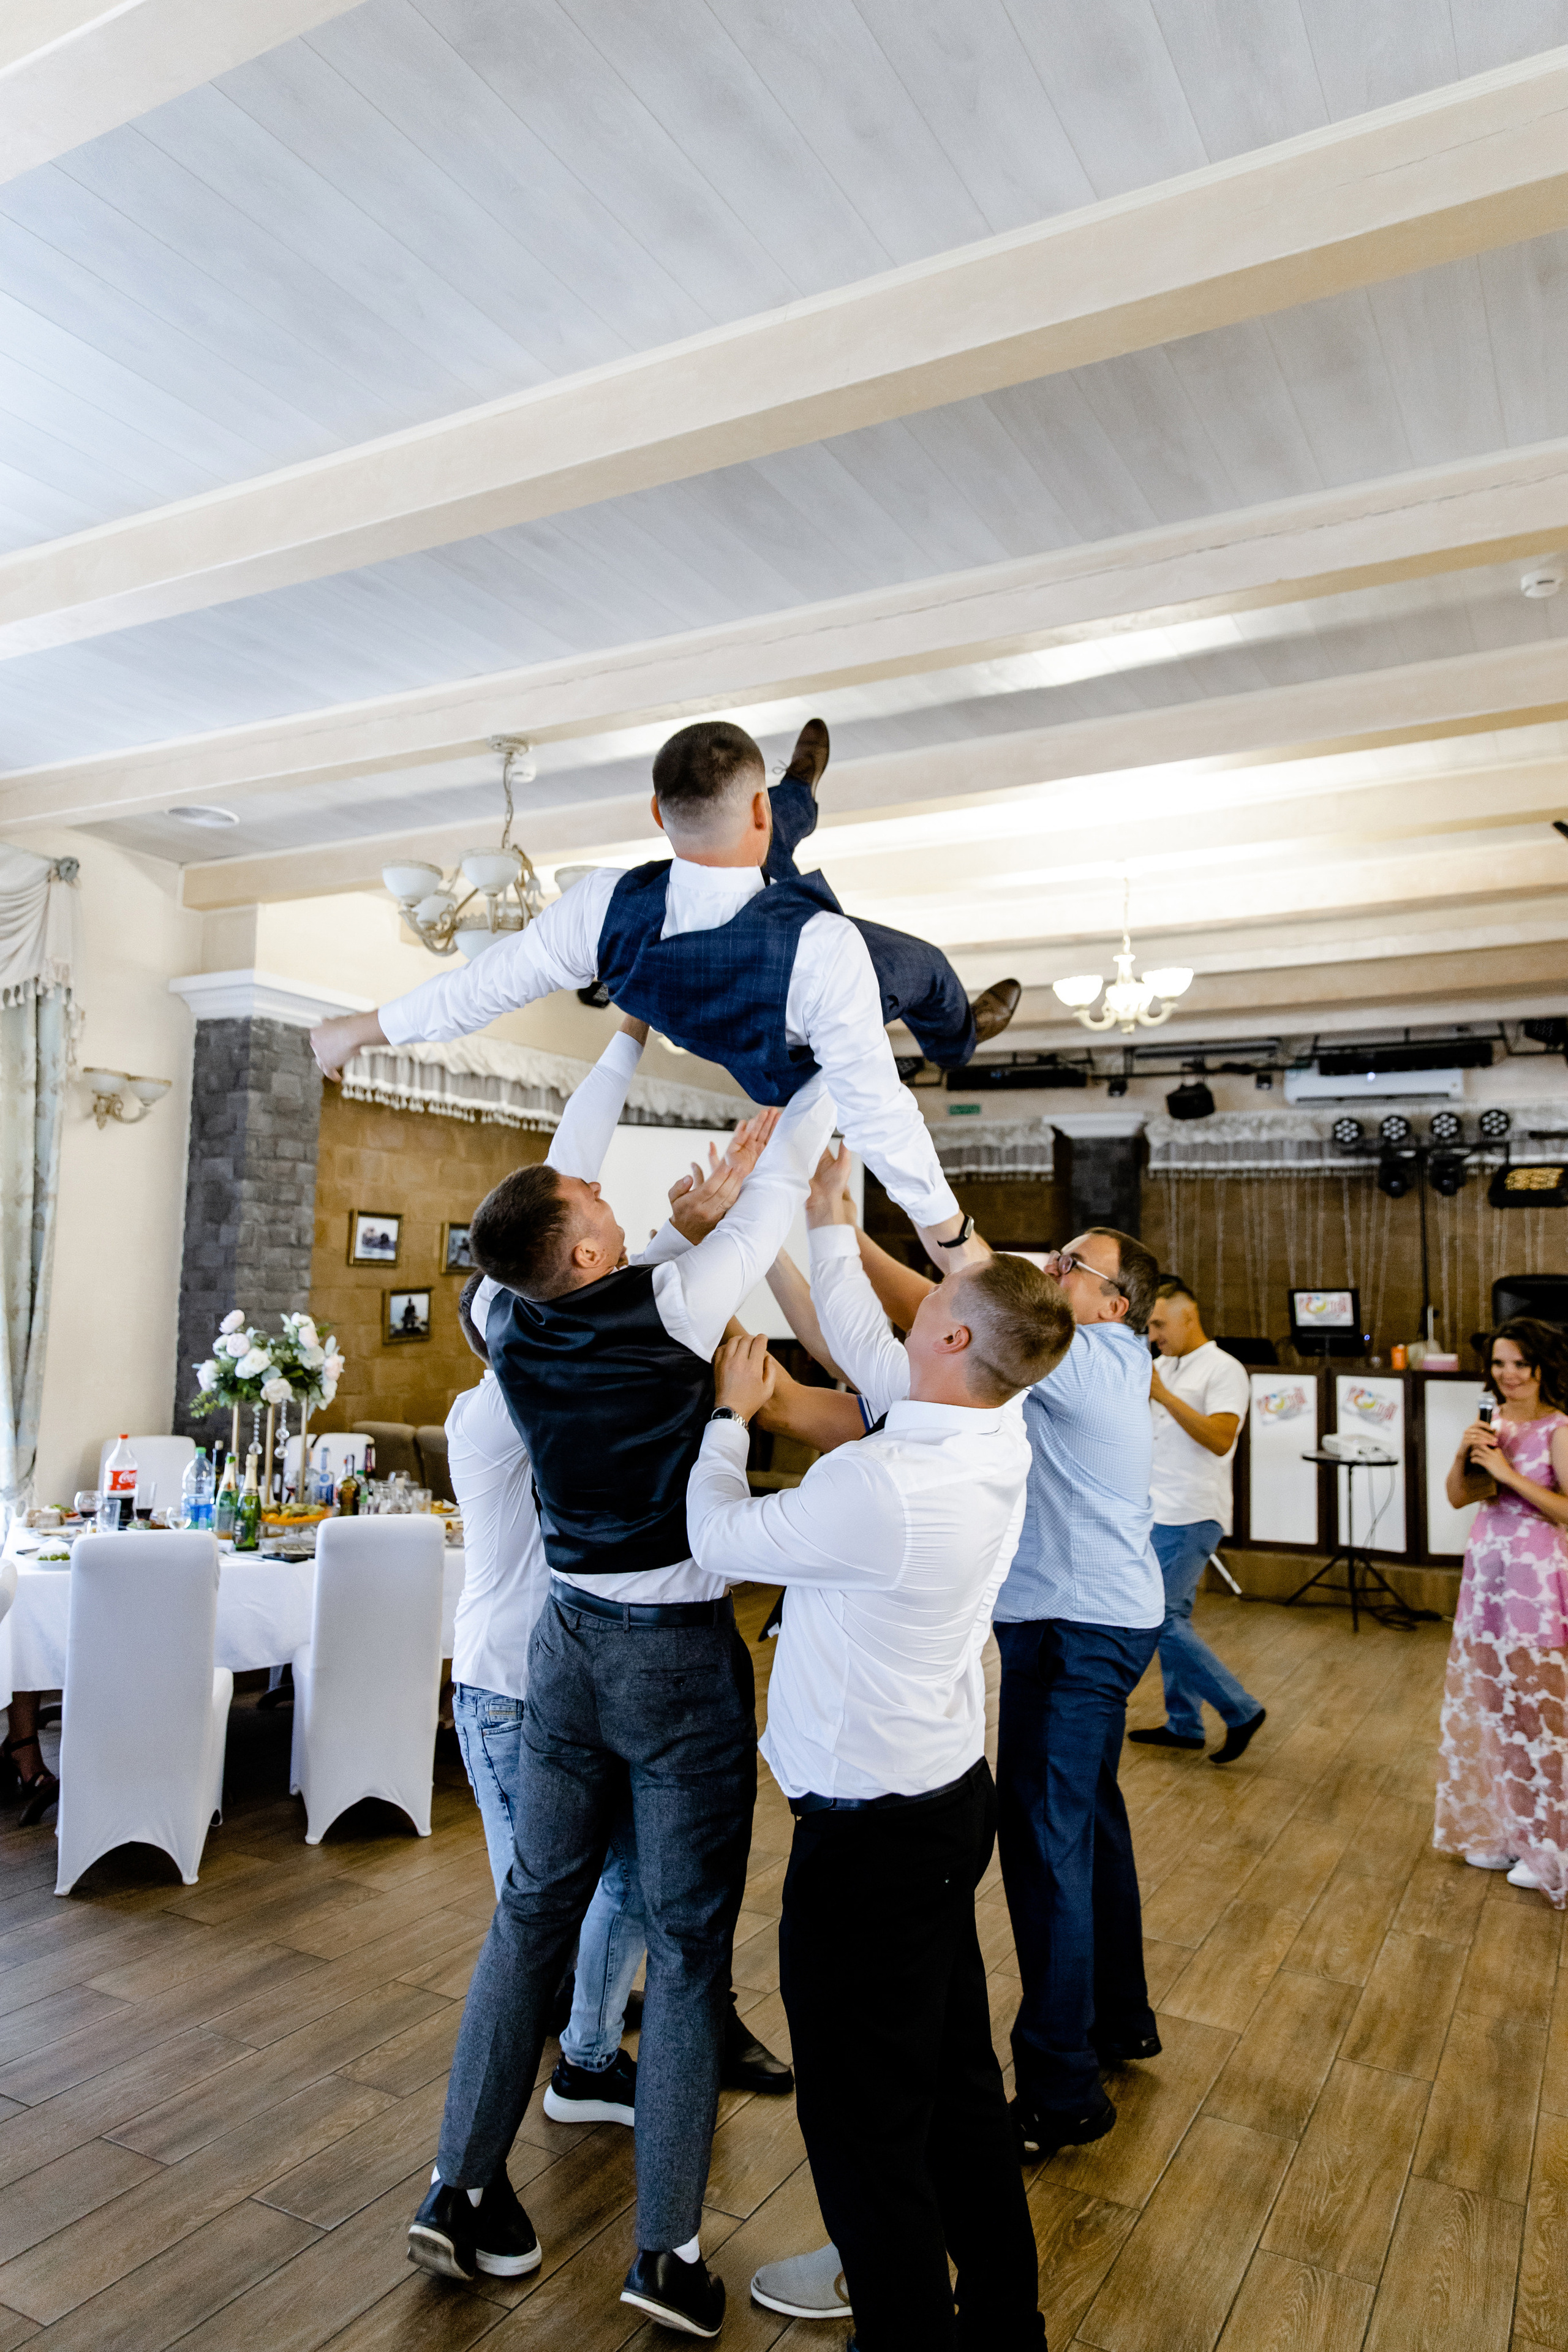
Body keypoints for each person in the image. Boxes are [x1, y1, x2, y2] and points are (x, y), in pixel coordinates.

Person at [407, 1063, 837, 2337]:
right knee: (690, 1951)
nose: (606, 1190)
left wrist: (673, 1205)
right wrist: (827, 1063)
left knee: (531, 1912)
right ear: (590, 1247)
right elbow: (771, 1199)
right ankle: (665, 2255)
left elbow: (580, 1228)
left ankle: (457, 2190)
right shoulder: (678, 1305)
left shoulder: (506, 1317)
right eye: (594, 1198)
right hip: (672, 1657)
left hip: (564, 1648)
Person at [688, 1203, 1072, 2351]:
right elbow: (858, 1334)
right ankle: (1004, 2324)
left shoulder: (884, 1483)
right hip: (944, 1801)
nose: (911, 1299)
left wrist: (728, 1421)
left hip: (870, 1840)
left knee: (863, 2123)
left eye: (933, 1294)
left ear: (953, 1340)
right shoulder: (997, 1424)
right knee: (956, 2089)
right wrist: (800, 1224)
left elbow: (717, 1541)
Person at [309, 717, 1014, 1258]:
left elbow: (478, 989)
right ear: (753, 811)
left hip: (739, 1001)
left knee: (776, 852)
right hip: (785, 1046)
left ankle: (796, 789)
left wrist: (354, 1031)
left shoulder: (600, 906)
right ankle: (961, 1040)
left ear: (656, 812)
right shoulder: (825, 950)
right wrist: (949, 1238)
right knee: (926, 968)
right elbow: (877, 1113)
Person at [842, 1199, 1166, 2162]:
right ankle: (1119, 2020)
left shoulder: (1094, 1355)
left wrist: (842, 1238)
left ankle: (1063, 2092)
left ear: (1114, 1304)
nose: (1051, 1269)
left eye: (1072, 1265)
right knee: (1090, 1828)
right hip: (1098, 1620)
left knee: (1046, 1850)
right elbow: (957, 1305)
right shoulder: (1097, 1357)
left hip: (1074, 1631)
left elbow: (965, 1302)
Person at [1434, 1316, 1568, 1906]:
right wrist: (1467, 1455)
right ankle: (1518, 1834)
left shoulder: (1559, 1428)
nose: (1508, 1375)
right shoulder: (1492, 1426)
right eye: (1499, 1364)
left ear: (1541, 1368)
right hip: (1487, 1576)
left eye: (1520, 1364)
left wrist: (1508, 1472)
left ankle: (1556, 1847)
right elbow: (1458, 1498)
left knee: (1542, 1716)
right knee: (1500, 1712)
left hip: (1536, 1582)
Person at [1129, 1278, 1265, 1763]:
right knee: (1173, 1618)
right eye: (1149, 1327)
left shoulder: (1224, 1369)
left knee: (1158, 1618)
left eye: (1159, 1325)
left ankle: (1240, 1709)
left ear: (1189, 1317)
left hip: (1192, 1512)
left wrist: (1163, 1395)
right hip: (1155, 1510)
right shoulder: (1163, 1366)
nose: (1153, 1336)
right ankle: (1184, 1724)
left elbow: (1221, 1439)